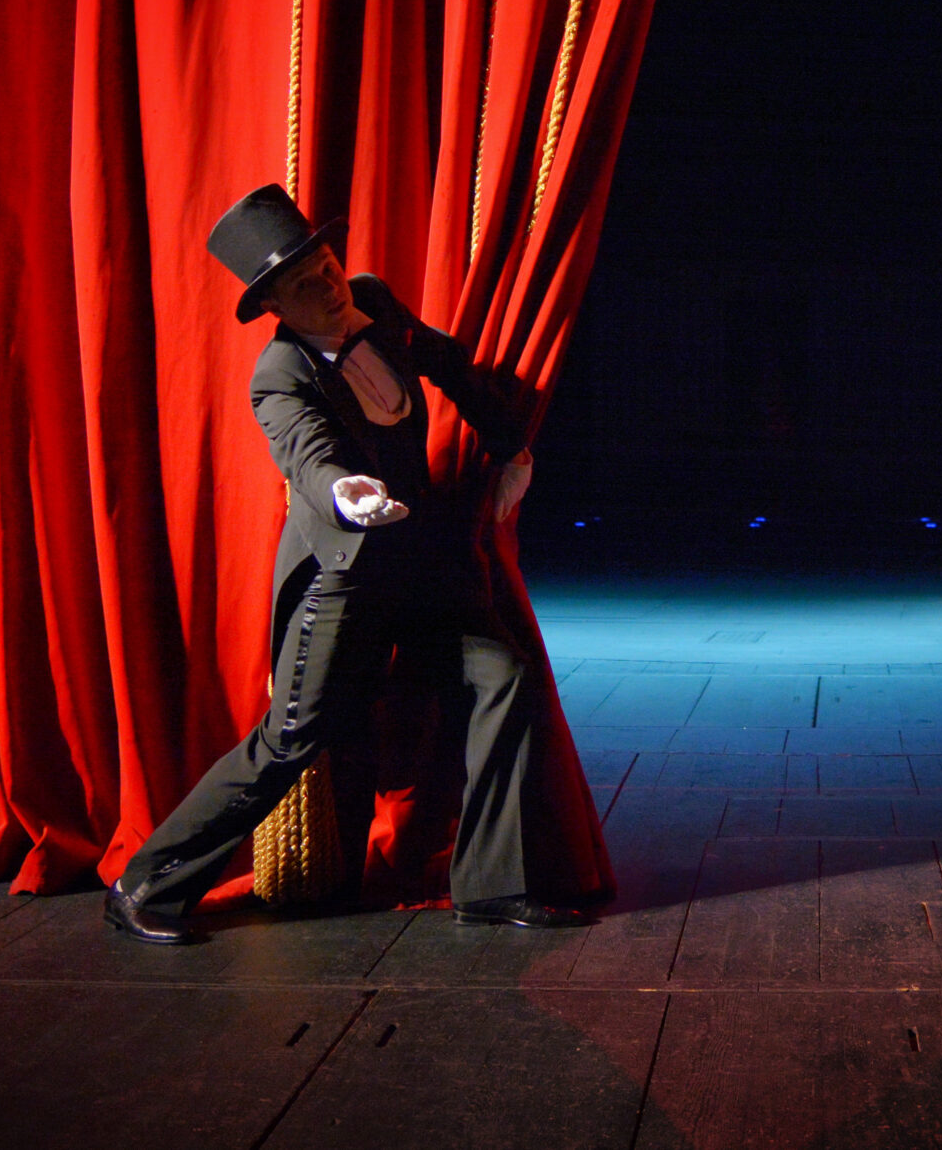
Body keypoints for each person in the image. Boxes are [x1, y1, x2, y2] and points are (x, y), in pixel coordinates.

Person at [104, 184, 588, 943]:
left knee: (504, 679)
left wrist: (509, 442)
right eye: (304, 284)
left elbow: (449, 362)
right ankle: (143, 884)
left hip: (420, 566)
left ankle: (493, 886)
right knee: (291, 739)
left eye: (325, 266)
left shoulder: (373, 304)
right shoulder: (280, 374)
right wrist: (346, 492)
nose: (326, 285)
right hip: (346, 576)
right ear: (276, 306)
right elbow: (305, 452)